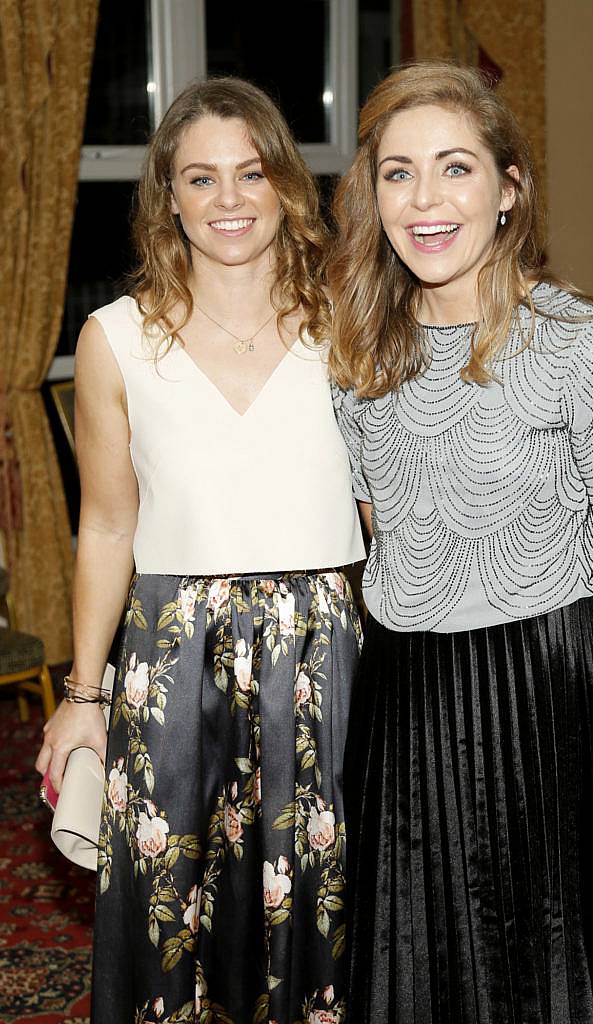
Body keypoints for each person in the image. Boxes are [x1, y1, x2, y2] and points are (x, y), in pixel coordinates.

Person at [329, 60, 593, 1024]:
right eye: (398, 173)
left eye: (454, 167)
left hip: (541, 686)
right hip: (402, 693)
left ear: (507, 188)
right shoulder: (357, 357)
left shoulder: (585, 347)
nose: (426, 199)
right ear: (374, 195)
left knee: (545, 968)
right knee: (415, 958)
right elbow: (383, 532)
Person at [35, 77, 364, 1024]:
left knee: (325, 904)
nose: (228, 200)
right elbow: (105, 525)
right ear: (167, 196)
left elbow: (390, 508)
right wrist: (83, 696)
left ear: (284, 186)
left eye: (250, 173)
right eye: (201, 178)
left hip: (325, 653)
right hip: (171, 657)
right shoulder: (114, 340)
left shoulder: (351, 324)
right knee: (169, 909)